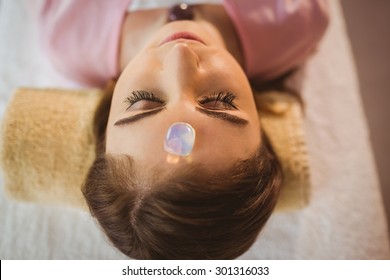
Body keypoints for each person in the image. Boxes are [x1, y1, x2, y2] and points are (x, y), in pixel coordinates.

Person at [35, 0, 329, 259]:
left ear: (106, 122)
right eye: (218, 101)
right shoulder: (295, 20)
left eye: (145, 101)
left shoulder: (66, 31)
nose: (181, 56)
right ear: (263, 131)